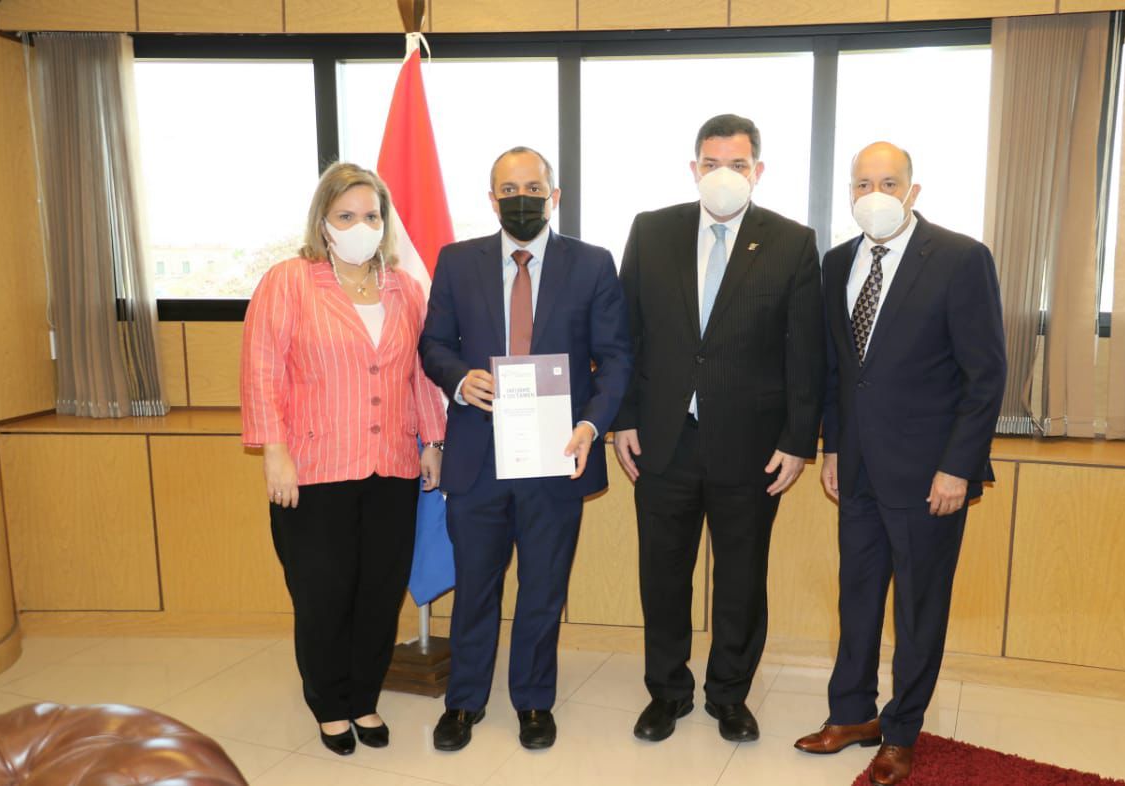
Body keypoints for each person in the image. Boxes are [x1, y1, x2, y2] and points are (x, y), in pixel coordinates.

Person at [792, 142, 1006, 785]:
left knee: (918, 607)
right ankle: (851, 713)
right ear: (850, 194)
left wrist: (958, 468)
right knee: (855, 597)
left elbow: (985, 374)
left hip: (930, 476)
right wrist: (831, 448)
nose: (875, 193)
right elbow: (837, 372)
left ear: (913, 191)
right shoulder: (836, 264)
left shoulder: (961, 258)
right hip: (855, 468)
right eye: (863, 183)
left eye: (888, 181)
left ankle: (902, 729)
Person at [612, 114, 825, 744]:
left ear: (757, 170)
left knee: (740, 578)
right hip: (662, 441)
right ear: (693, 168)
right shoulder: (651, 232)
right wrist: (622, 420)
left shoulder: (791, 241)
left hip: (752, 448)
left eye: (736, 164)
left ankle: (729, 695)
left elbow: (804, 355)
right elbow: (625, 336)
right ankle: (667, 693)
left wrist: (797, 439)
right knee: (663, 574)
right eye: (711, 163)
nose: (722, 174)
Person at [420, 147, 631, 752]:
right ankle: (463, 702)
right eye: (508, 189)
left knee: (543, 587)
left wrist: (592, 426)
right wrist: (460, 378)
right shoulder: (457, 262)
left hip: (556, 455)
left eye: (533, 186)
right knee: (476, 585)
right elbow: (433, 343)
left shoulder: (592, 264)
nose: (521, 198)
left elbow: (616, 358)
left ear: (554, 195)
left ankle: (534, 701)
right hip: (477, 457)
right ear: (491, 199)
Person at [240, 162, 447, 757]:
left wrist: (432, 441)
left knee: (380, 594)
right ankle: (329, 704)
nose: (362, 225)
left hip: (393, 467)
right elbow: (261, 370)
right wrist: (273, 453)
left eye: (372, 215)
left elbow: (421, 375)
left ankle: (363, 697)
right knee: (323, 592)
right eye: (346, 215)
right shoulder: (289, 281)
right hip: (313, 471)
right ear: (323, 222)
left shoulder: (405, 288)